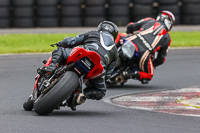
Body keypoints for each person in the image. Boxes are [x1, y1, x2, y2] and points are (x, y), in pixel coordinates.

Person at [37, 21, 119, 100]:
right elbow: (108, 75)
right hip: (98, 67)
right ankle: (82, 95)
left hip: (84, 54)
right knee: (100, 92)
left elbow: (71, 41)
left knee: (60, 50)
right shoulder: (115, 52)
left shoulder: (94, 33)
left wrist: (61, 43)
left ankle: (52, 67)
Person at [115, 11, 175, 84]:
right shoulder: (167, 38)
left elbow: (130, 26)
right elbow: (161, 59)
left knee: (119, 35)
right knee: (149, 75)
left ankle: (111, 48)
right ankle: (126, 75)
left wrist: (129, 33)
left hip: (132, 40)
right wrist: (153, 65)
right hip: (144, 53)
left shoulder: (150, 20)